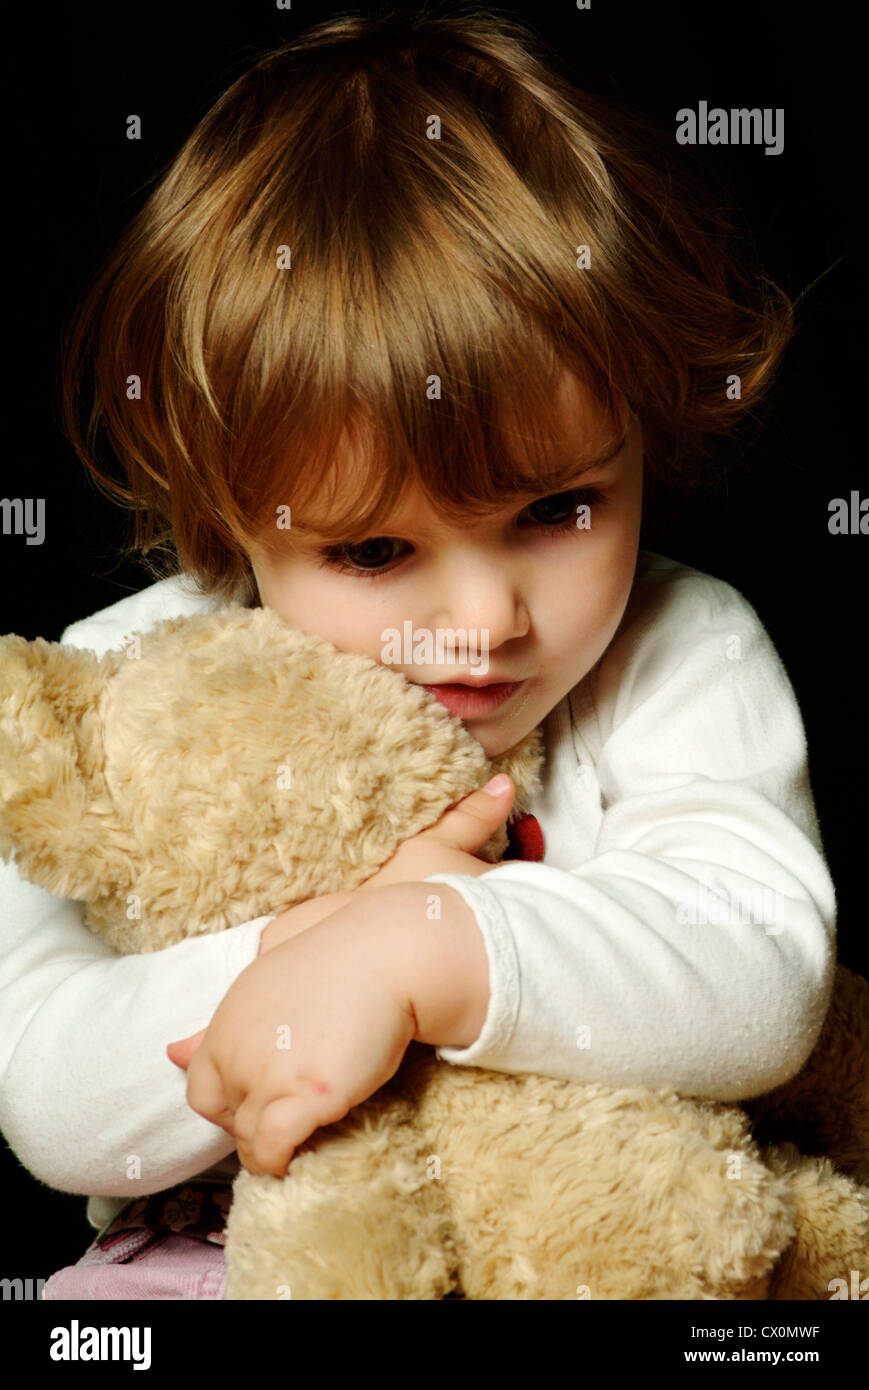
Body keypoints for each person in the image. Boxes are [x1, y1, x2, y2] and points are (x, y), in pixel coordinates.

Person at [0, 8, 835, 1299]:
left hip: (586, 1246)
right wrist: (310, 946)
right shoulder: (125, 681)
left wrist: (420, 946)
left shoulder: (682, 646)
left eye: (557, 511)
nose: (487, 618)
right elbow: (47, 1095)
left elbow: (761, 972)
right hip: (216, 1256)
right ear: (231, 513)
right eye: (374, 553)